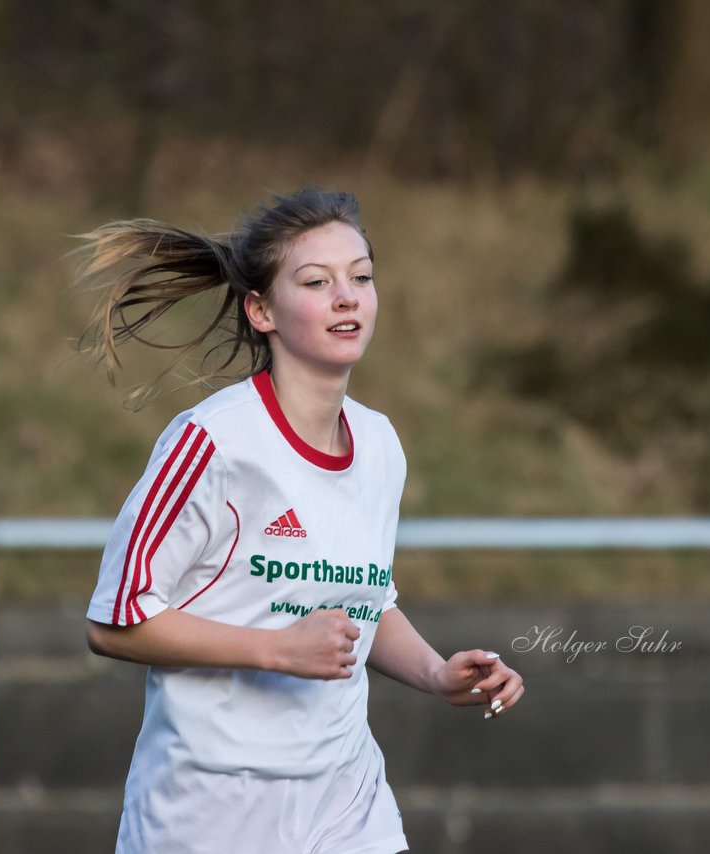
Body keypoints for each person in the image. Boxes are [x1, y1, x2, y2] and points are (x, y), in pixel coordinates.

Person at [79, 187, 524, 854]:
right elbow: (115, 621)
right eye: (317, 281)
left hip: (346, 803)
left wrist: (437, 673)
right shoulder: (213, 442)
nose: (347, 297)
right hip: (210, 810)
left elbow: (361, 602)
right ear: (262, 310)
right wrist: (276, 650)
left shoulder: (379, 446)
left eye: (362, 277)